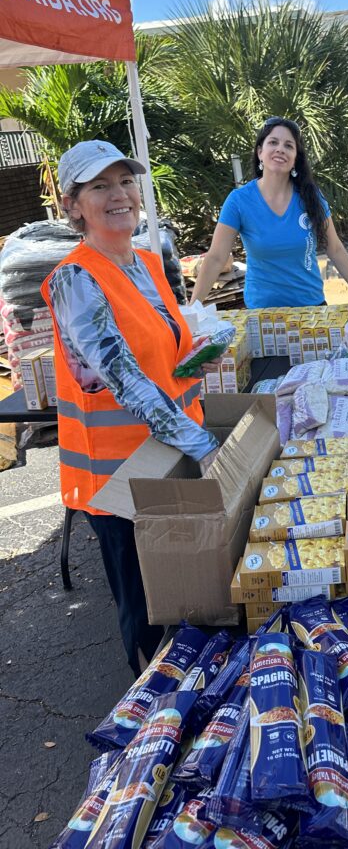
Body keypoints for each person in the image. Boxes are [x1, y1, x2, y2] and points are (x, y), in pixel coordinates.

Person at [41, 140, 218, 677]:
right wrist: (207, 449)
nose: (119, 195)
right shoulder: (77, 279)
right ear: (73, 205)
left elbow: (163, 349)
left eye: (125, 182)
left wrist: (200, 352)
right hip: (120, 478)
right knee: (145, 609)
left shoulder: (146, 262)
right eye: (100, 186)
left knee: (187, 593)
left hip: (171, 452)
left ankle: (188, 701)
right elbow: (125, 379)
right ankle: (147, 714)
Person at [190, 116, 348, 308]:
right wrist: (193, 311)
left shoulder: (311, 197)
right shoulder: (239, 201)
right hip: (261, 315)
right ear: (260, 152)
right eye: (273, 142)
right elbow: (216, 257)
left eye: (288, 146)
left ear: (295, 159)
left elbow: (335, 249)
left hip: (311, 310)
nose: (280, 149)